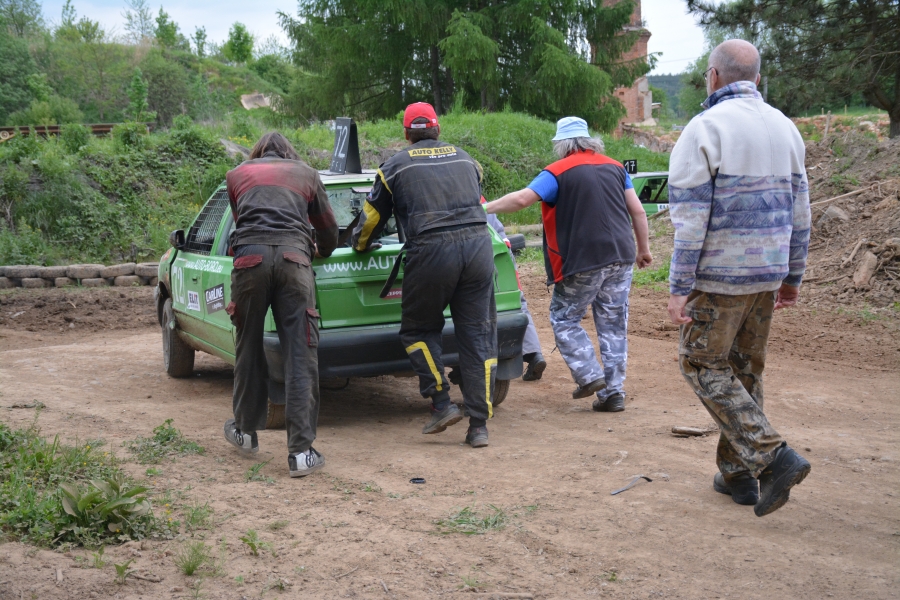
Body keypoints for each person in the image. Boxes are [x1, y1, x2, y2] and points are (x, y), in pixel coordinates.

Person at [666, 39, 811, 517]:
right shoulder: (785, 127)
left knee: (700, 362)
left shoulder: (704, 128)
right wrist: (793, 275)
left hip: (720, 277)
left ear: (713, 77)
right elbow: (801, 212)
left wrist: (679, 287)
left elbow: (690, 222)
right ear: (757, 78)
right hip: (767, 275)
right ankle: (738, 476)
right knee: (745, 368)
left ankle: (772, 456)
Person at [350, 102, 497, 448]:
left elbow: (371, 220)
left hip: (432, 252)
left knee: (418, 330)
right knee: (477, 335)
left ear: (406, 134)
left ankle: (441, 403)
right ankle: (479, 426)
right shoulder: (467, 159)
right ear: (438, 129)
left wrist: (359, 244)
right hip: (479, 249)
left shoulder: (394, 167)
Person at [485, 117, 652, 412]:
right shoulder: (617, 168)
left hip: (583, 259)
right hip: (622, 256)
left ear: (562, 145)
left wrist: (484, 208)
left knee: (564, 319)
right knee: (613, 326)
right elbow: (638, 212)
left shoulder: (556, 172)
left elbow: (522, 200)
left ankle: (589, 375)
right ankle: (613, 393)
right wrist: (644, 249)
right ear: (589, 141)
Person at [222, 132, 338, 478]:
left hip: (249, 262)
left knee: (248, 346)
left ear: (257, 153)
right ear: (289, 153)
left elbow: (242, 222)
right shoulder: (307, 174)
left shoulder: (236, 175)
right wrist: (319, 250)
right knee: (300, 354)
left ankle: (245, 432)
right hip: (294, 262)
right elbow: (328, 229)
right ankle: (301, 453)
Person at [483, 207, 546, 381]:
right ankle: (534, 355)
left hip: (472, 252)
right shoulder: (477, 196)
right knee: (515, 303)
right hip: (501, 251)